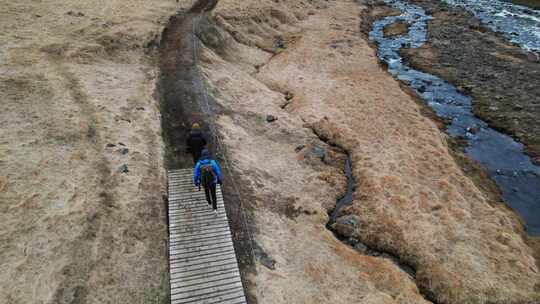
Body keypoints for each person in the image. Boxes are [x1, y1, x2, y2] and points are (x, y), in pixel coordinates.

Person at [193, 149, 223, 214]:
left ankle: (209, 202)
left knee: (206, 191)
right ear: (208, 154)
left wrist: (196, 182)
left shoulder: (198, 163)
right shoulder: (212, 162)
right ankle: (215, 208)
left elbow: (195, 175)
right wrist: (219, 180)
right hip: (213, 181)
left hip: (204, 182)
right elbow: (218, 172)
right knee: (213, 194)